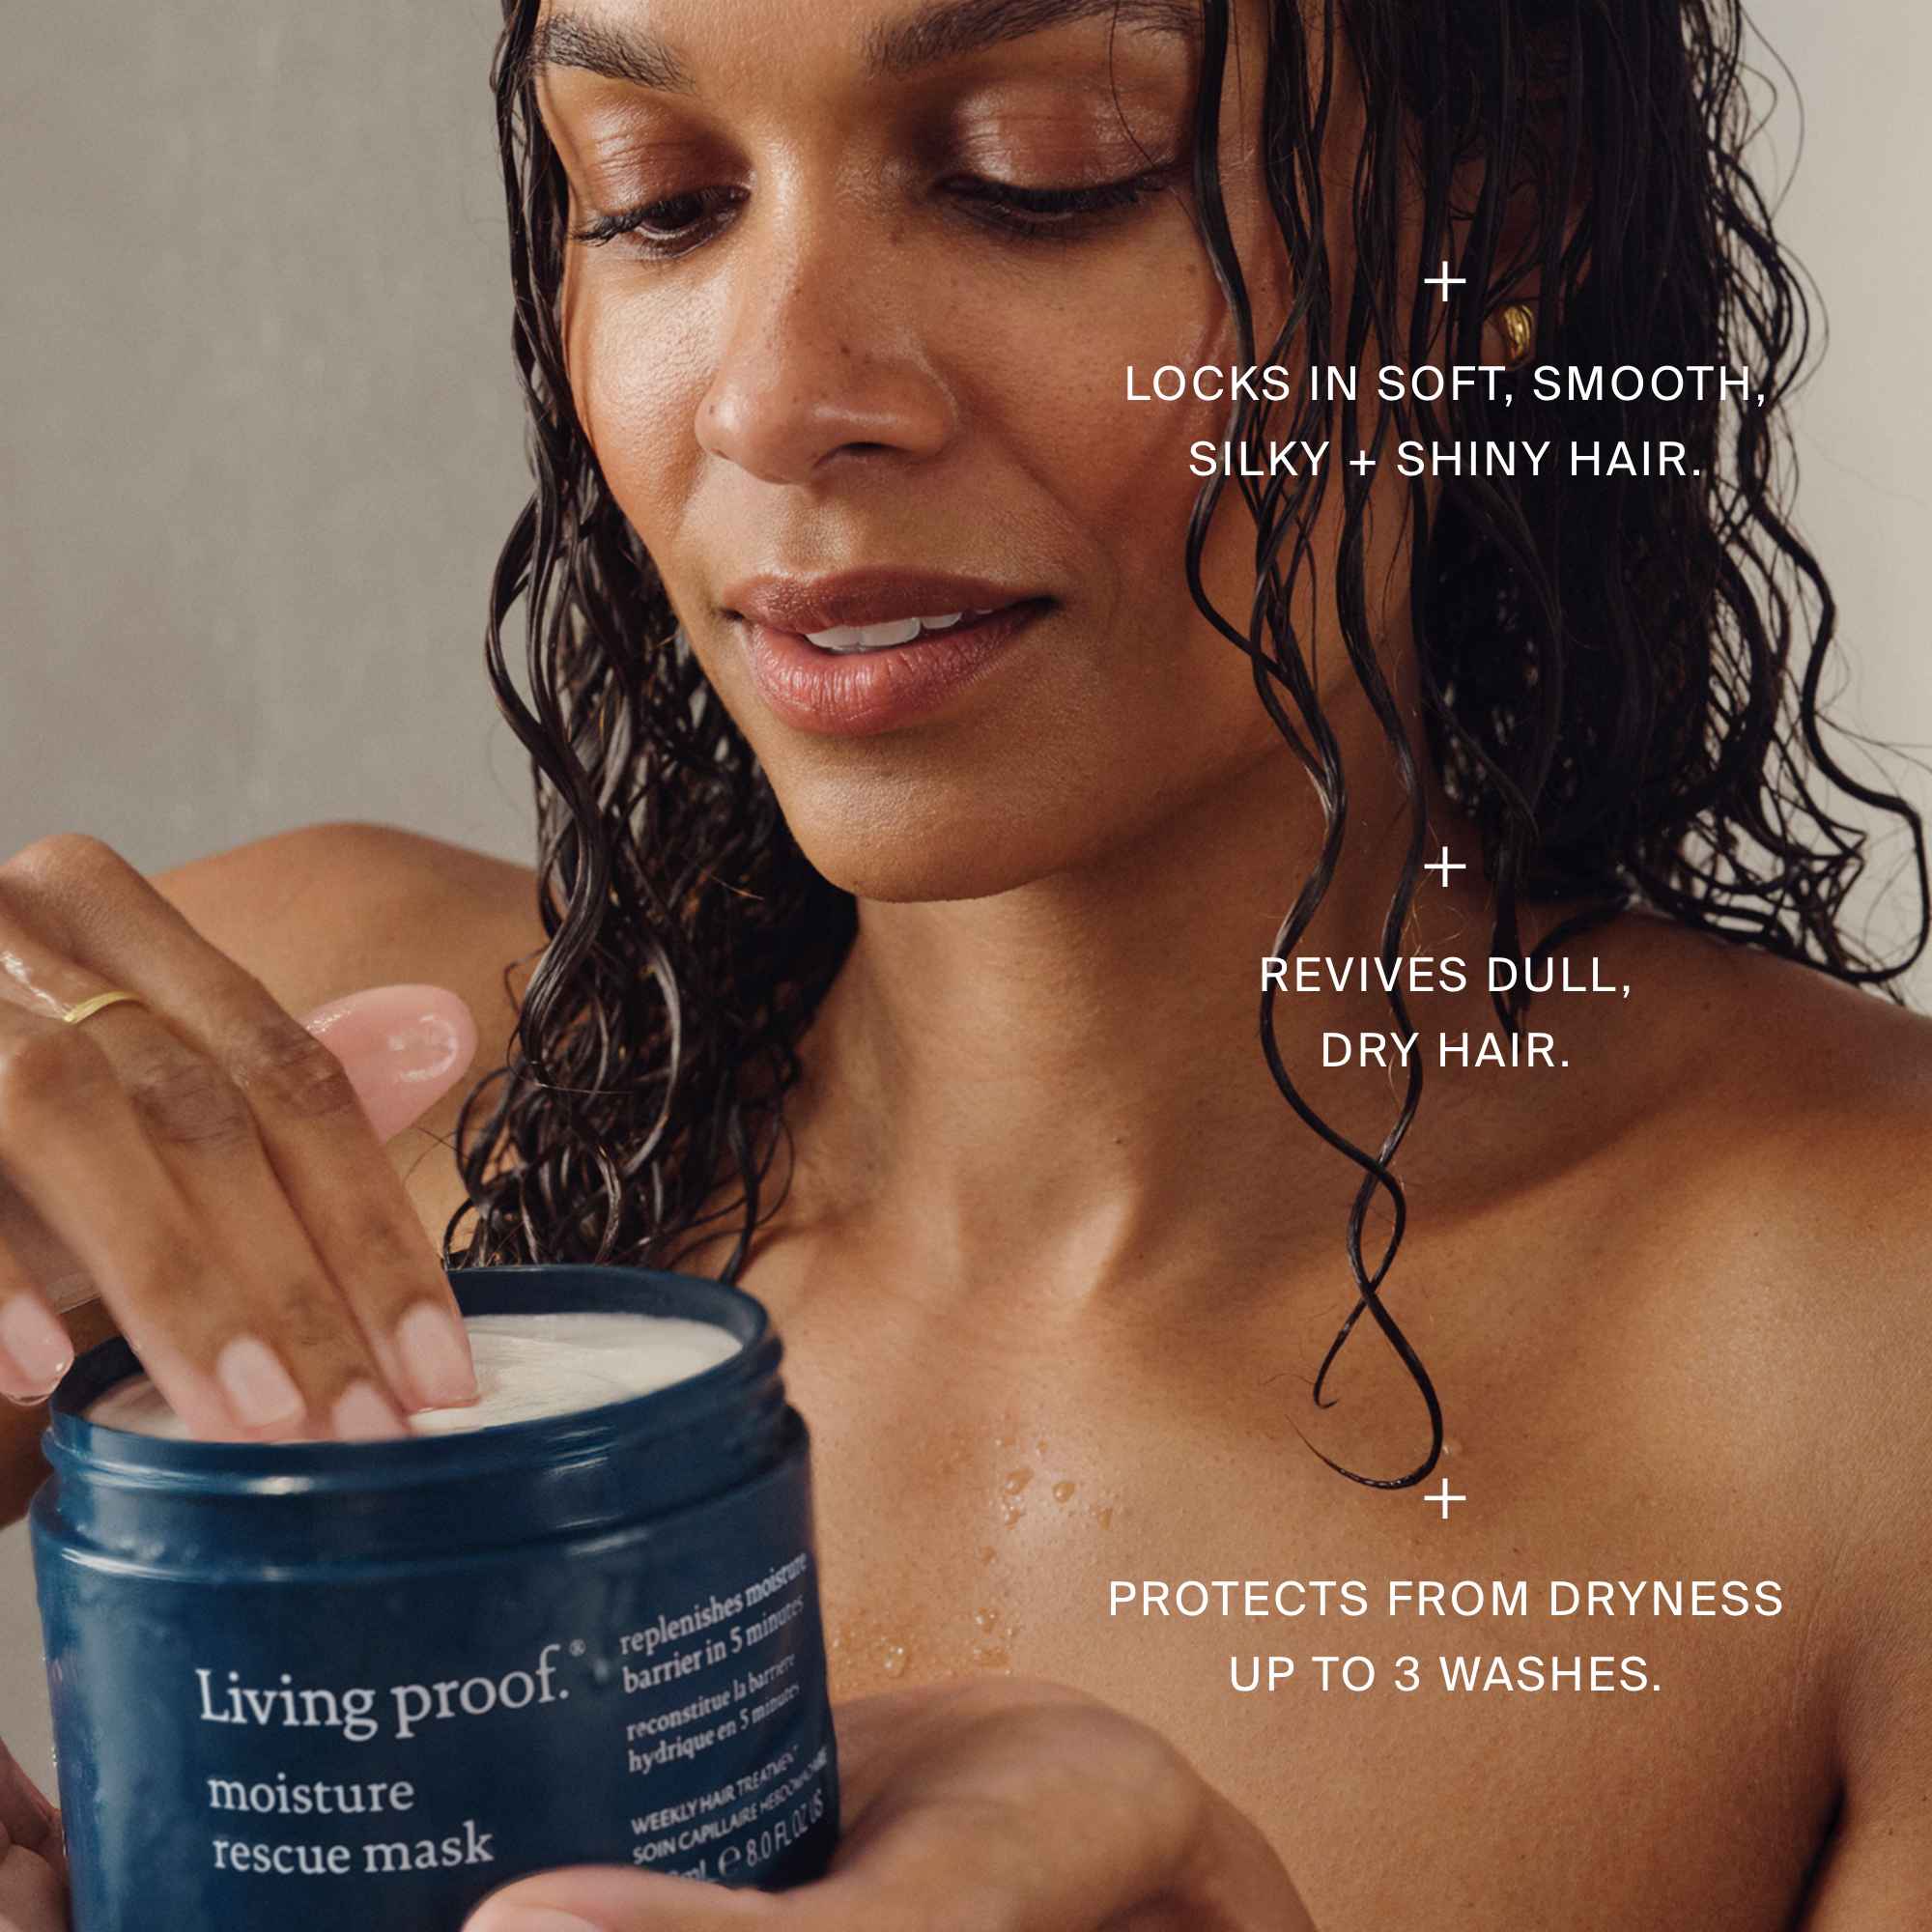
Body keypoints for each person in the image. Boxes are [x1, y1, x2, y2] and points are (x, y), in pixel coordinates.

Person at [1, 0, 1928, 1924]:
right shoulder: (277, 1101)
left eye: (1038, 176)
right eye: (659, 202)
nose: (774, 397)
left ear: (1499, 230)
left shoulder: (1863, 1373)